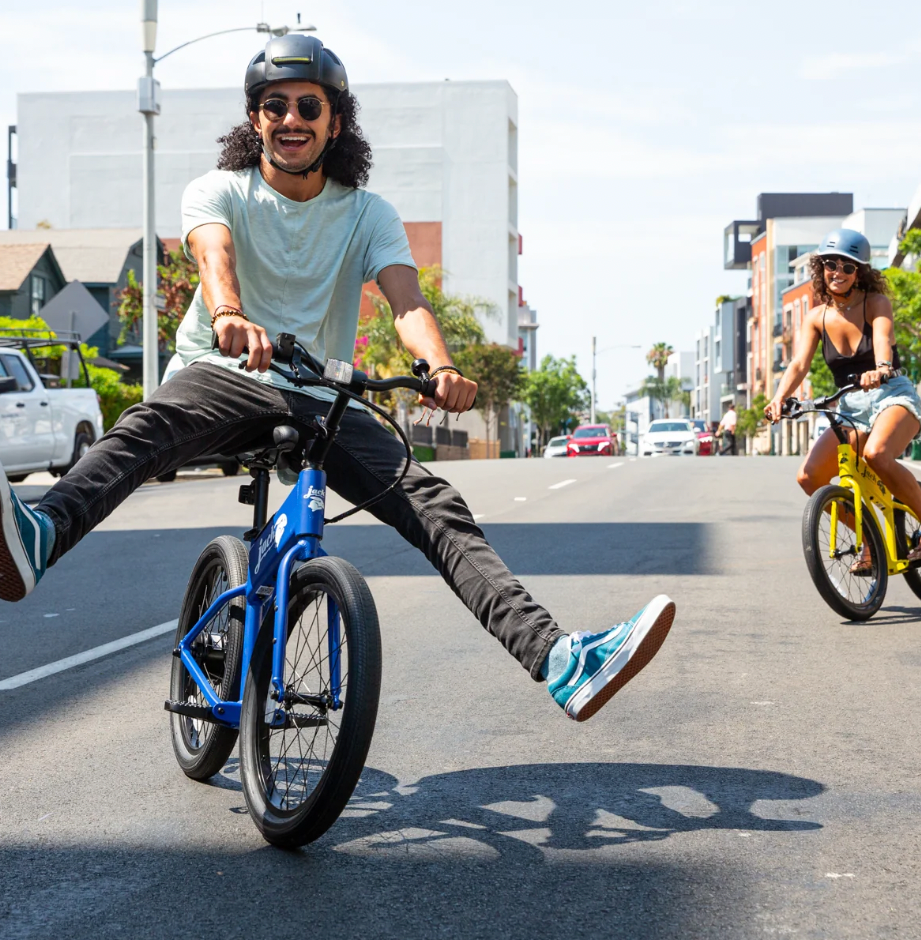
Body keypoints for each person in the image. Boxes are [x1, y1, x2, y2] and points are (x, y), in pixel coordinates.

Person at [0, 36, 675, 722]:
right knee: (145, 428)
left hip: (321, 395)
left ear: (335, 121)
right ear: (254, 118)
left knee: (433, 502)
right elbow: (214, 253)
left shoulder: (365, 213)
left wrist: (439, 366)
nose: (290, 119)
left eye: (307, 106)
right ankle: (40, 535)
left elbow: (406, 301)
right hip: (225, 373)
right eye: (273, 106)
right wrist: (230, 315)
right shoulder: (218, 190)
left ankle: (558, 658)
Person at [765, 228, 921, 569]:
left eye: (847, 266)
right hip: (851, 406)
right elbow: (798, 364)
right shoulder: (816, 317)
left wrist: (880, 368)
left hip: (892, 396)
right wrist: (779, 398)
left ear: (859, 272)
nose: (838, 272)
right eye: (830, 264)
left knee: (877, 454)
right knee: (809, 477)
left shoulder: (875, 303)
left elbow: (883, 337)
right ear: (820, 268)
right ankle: (870, 542)